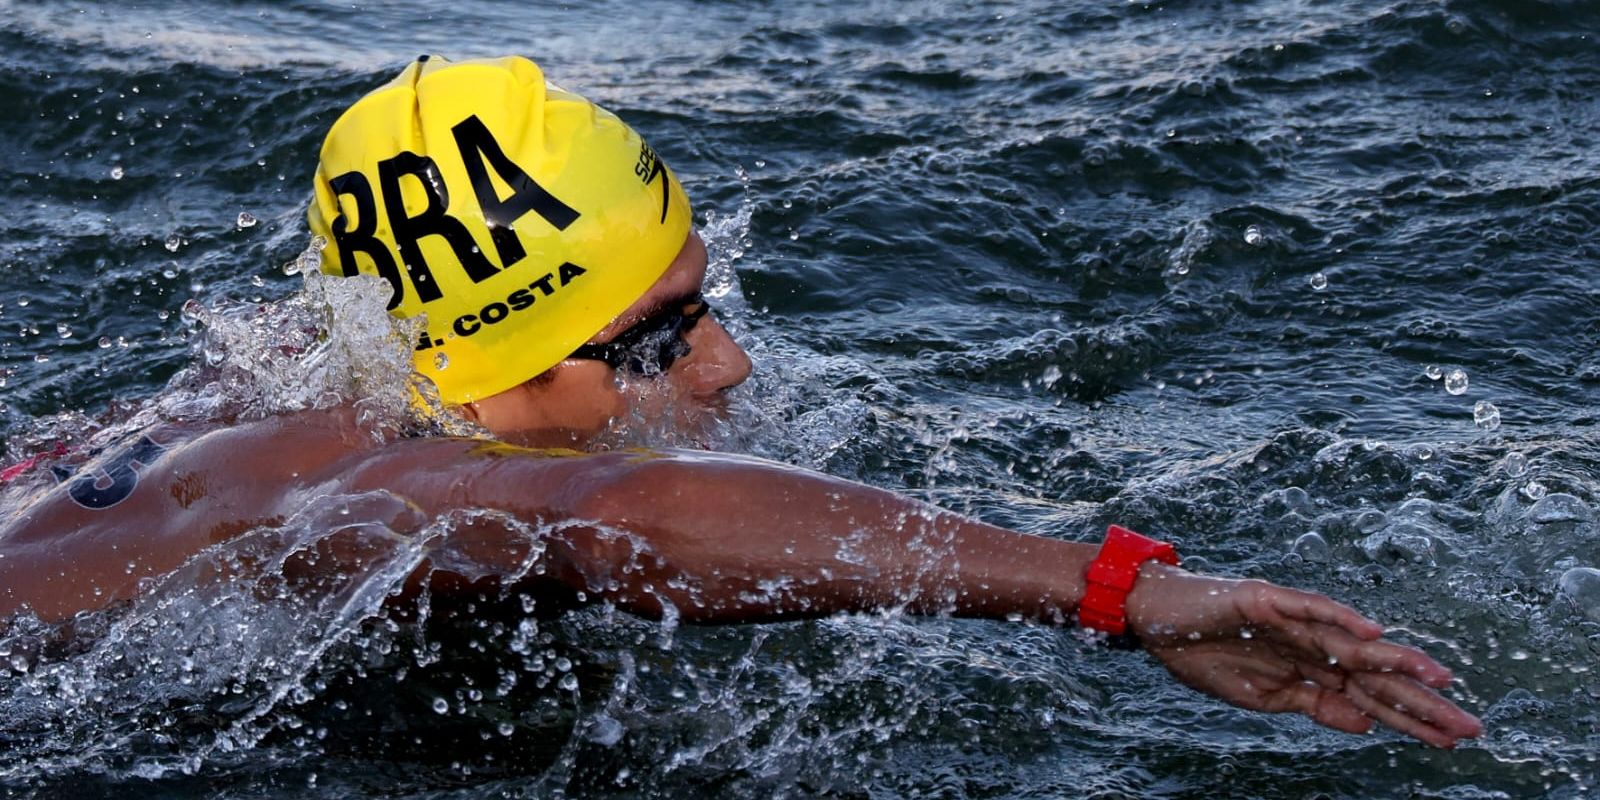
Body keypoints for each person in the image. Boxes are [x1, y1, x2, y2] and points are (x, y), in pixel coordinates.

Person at [0, 55, 1482, 750]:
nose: (726, 371)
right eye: (652, 343)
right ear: (495, 372)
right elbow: (607, 515)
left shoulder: (283, 376)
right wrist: (1121, 594)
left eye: (708, 304)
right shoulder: (371, 488)